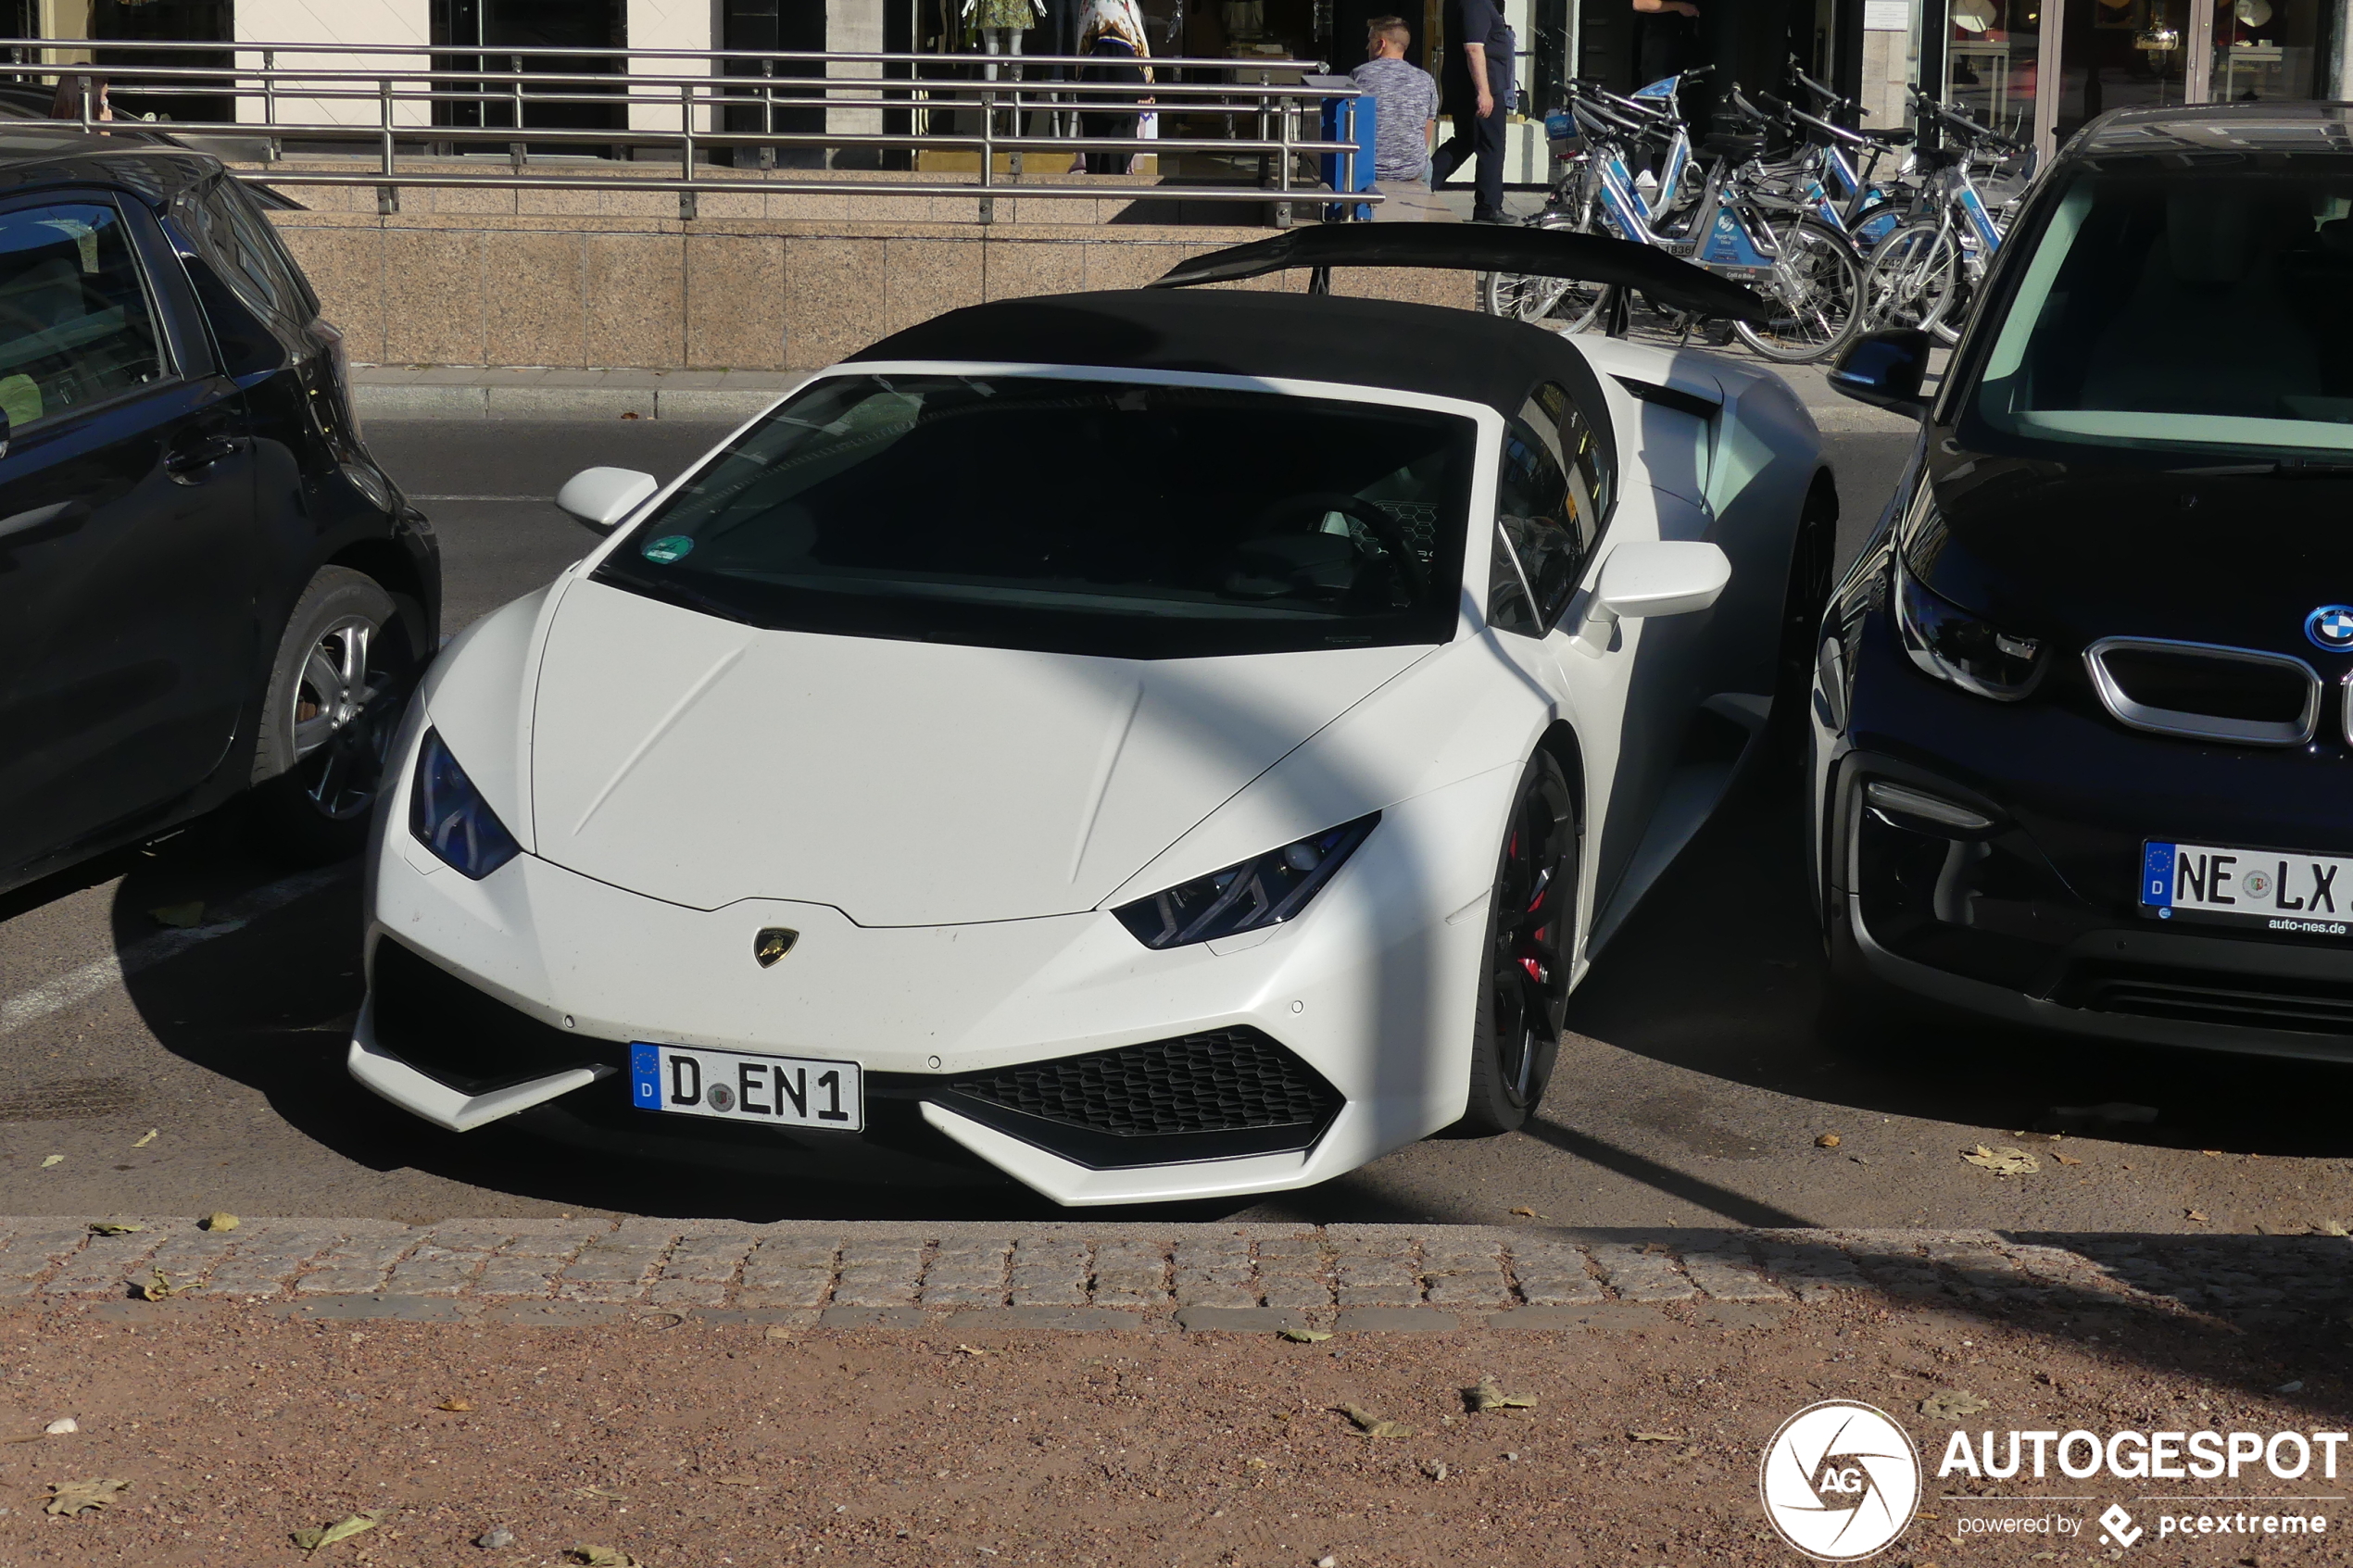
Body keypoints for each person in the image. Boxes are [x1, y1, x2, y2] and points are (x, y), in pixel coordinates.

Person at [1350, 18, 1446, 222]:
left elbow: (1352, 128)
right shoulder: (1426, 80)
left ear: (1381, 43)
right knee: (1425, 162)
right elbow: (1425, 137)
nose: (1368, 46)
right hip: (1411, 169)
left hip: (1370, 169)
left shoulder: (1360, 76)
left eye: (1370, 40)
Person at [1431, 0, 1513, 222]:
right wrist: (1484, 92)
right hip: (1480, 88)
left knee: (1465, 141)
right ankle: (1488, 208)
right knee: (1491, 146)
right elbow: (1474, 48)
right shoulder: (1473, 3)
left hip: (1469, 87)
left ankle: (1423, 181)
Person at [1076, 0, 1153, 174]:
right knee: (1116, 167)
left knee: (1097, 164)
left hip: (1095, 91)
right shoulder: (1120, 6)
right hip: (1123, 90)